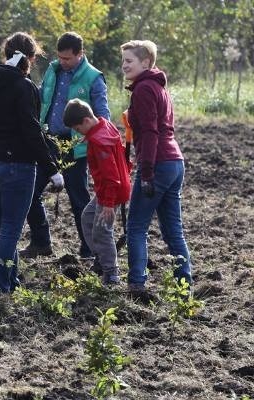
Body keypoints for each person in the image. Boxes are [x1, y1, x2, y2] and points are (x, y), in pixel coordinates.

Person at [0, 32, 63, 295]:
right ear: (30, 58)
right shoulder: (24, 87)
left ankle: (11, 281)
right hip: (17, 165)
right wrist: (52, 168)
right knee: (11, 231)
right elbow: (31, 131)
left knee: (7, 226)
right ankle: (1, 288)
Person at [20, 31, 110, 259]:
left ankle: (89, 250)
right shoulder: (52, 70)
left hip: (75, 145)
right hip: (47, 141)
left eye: (68, 58)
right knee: (30, 193)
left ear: (80, 54)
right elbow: (41, 97)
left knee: (78, 199)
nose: (63, 62)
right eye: (60, 57)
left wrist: (97, 143)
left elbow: (103, 115)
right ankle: (41, 242)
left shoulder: (93, 77)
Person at [121, 40, 192, 293]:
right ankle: (185, 285)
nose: (124, 66)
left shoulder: (143, 90)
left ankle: (137, 284)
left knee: (137, 226)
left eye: (129, 61)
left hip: (158, 163)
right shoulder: (160, 88)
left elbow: (151, 133)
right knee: (174, 231)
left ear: (146, 62)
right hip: (175, 163)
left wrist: (147, 172)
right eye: (123, 61)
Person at [63, 99, 131, 285]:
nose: (78, 132)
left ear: (86, 121)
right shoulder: (105, 124)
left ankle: (111, 273)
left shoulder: (99, 141)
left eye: (77, 128)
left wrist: (108, 203)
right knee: (87, 217)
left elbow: (110, 176)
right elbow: (122, 155)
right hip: (112, 187)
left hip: (111, 190)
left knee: (102, 231)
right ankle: (101, 258)